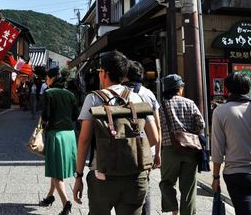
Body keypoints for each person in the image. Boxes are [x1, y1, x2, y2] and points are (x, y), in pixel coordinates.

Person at [73, 51, 159, 215]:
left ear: (104, 73)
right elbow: (154, 137)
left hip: (102, 176)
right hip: (135, 176)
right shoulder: (137, 98)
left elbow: (84, 141)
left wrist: (78, 176)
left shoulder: (93, 99)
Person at [211, 72, 251, 215]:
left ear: (227, 90)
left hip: (236, 174)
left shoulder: (220, 111)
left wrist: (215, 177)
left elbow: (217, 149)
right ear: (248, 89)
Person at [159, 74, 205, 215]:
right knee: (188, 188)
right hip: (190, 150)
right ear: (179, 88)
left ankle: (174, 210)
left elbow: (157, 127)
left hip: (169, 150)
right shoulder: (189, 103)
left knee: (166, 183)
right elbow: (200, 124)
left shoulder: (161, 106)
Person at [122, 60, 161, 215]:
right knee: (144, 186)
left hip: (125, 146)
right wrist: (157, 153)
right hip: (147, 148)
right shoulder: (149, 94)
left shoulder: (120, 93)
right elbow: (157, 126)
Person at [39, 67, 78, 215]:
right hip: (69, 135)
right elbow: (75, 116)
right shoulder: (70, 94)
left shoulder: (49, 93)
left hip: (55, 135)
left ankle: (66, 203)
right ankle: (50, 196)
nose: (46, 81)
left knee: (56, 172)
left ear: (52, 78)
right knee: (56, 168)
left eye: (47, 78)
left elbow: (46, 115)